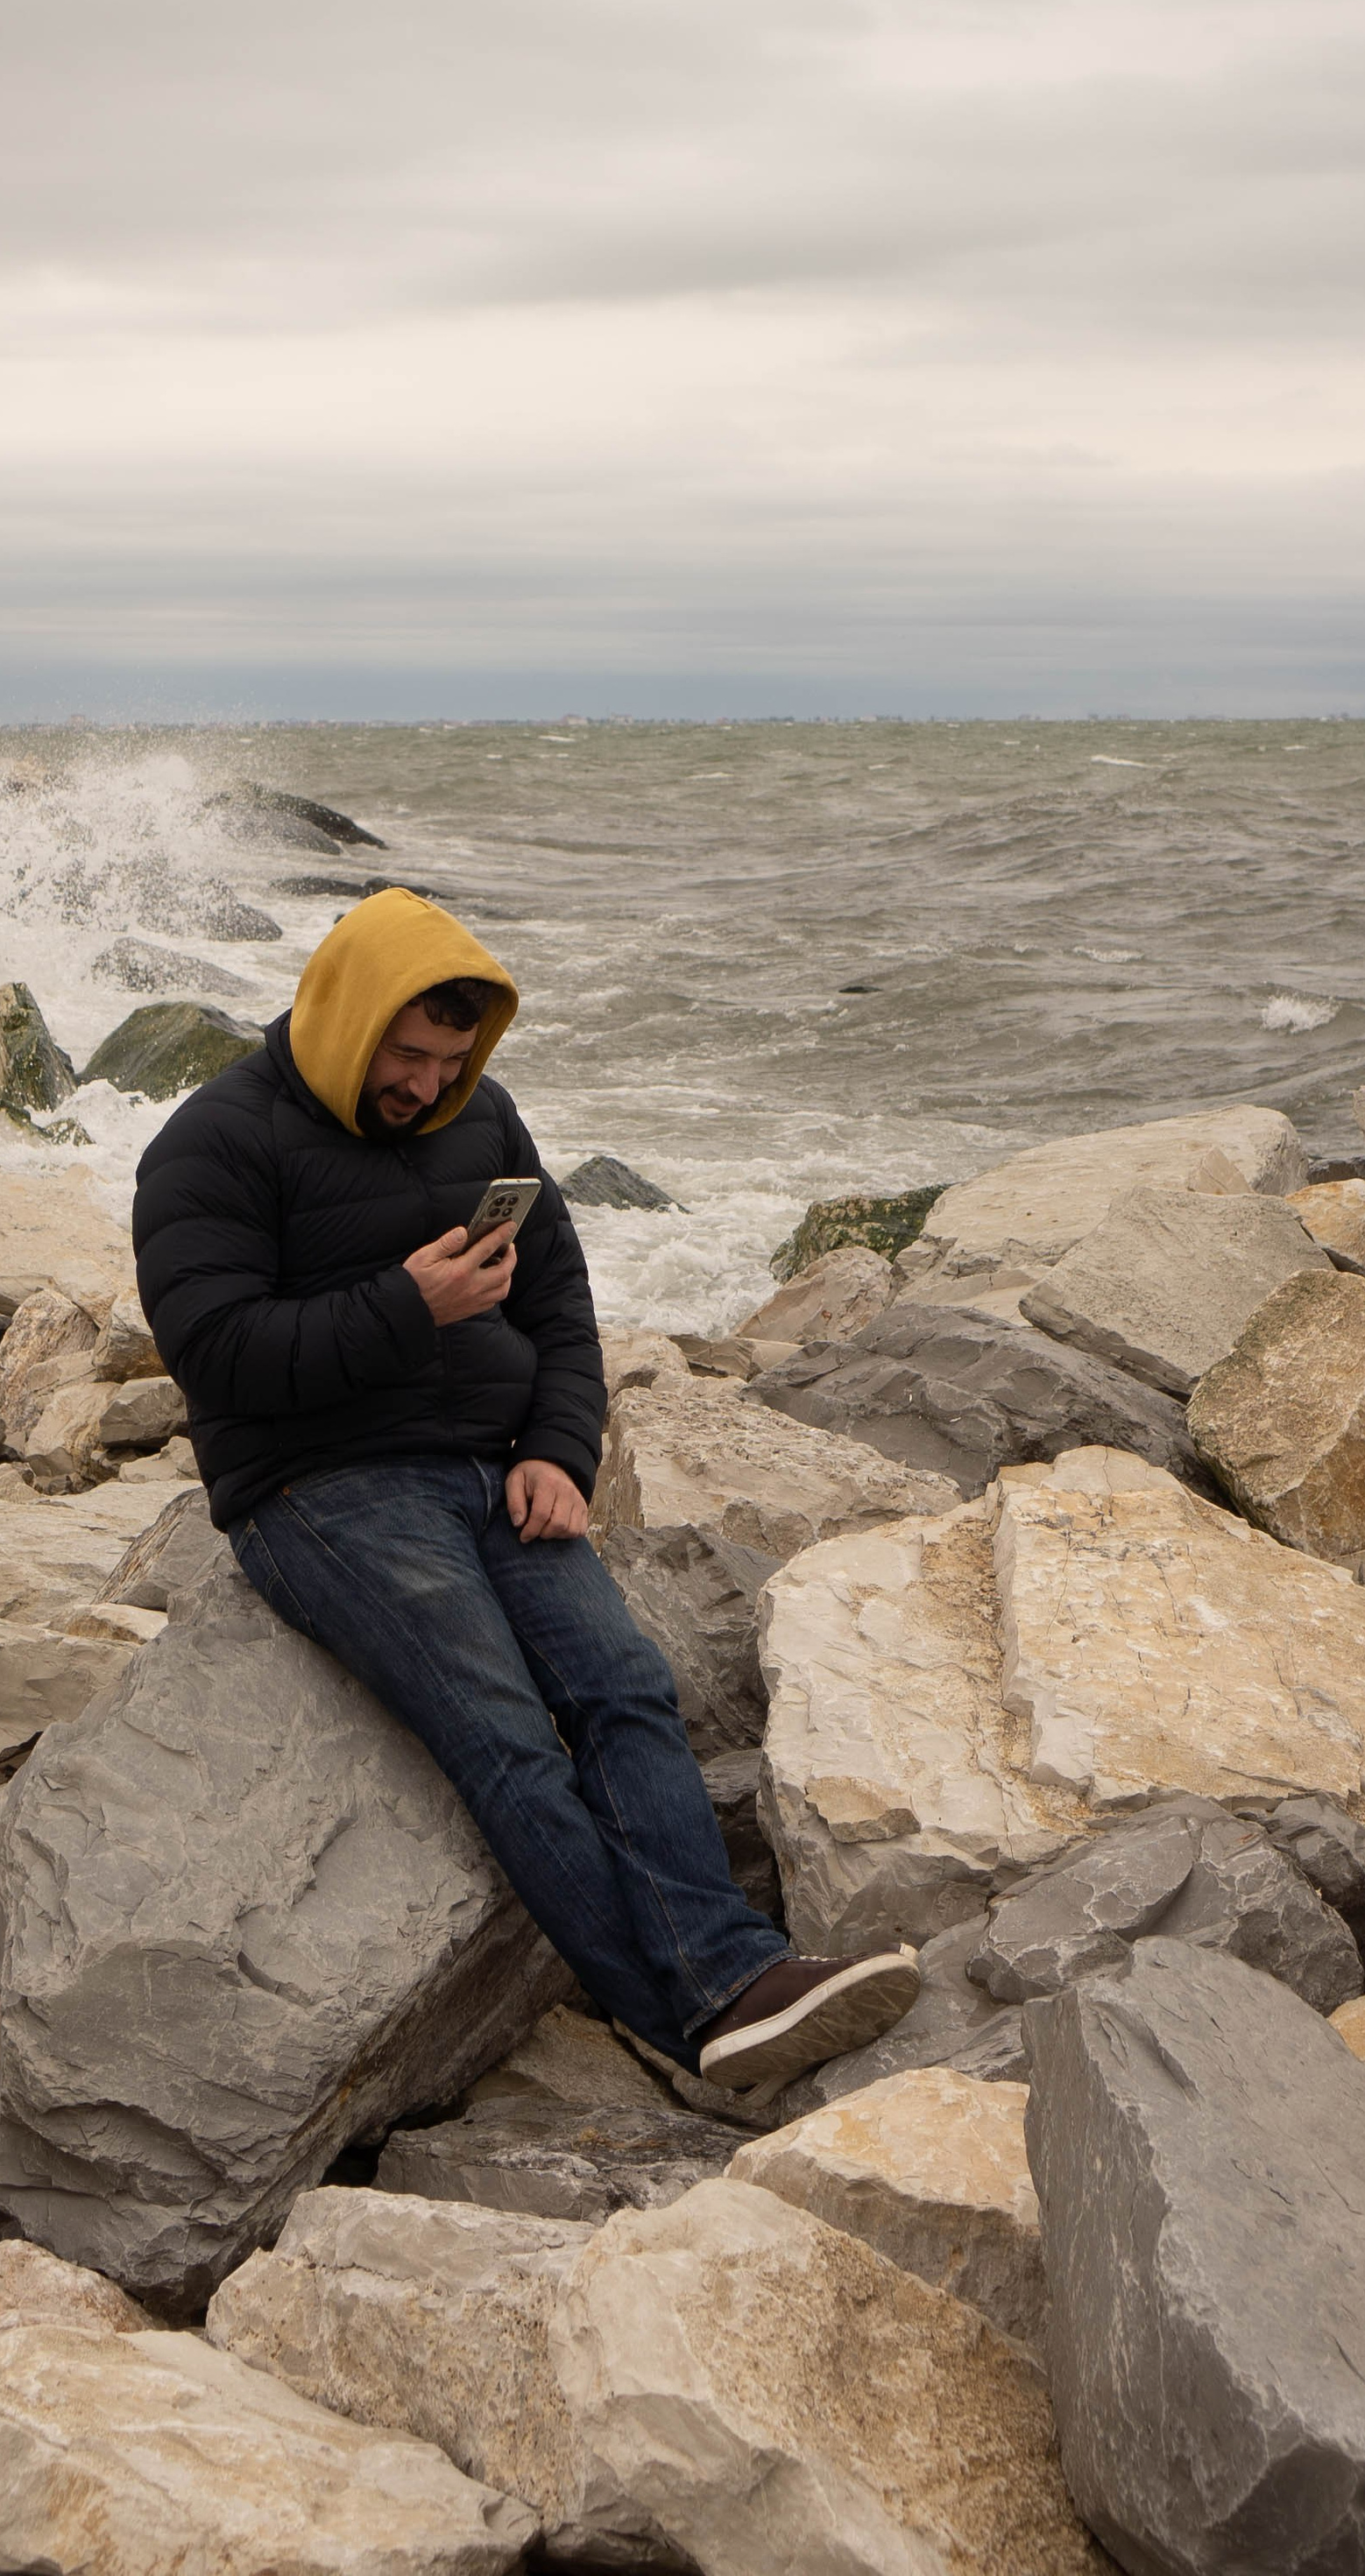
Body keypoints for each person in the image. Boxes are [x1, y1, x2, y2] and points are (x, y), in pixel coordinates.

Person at [131, 883, 919, 2097]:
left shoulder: (483, 1119)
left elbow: (558, 1301)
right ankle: (693, 2020)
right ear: (345, 1018)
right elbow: (216, 1355)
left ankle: (733, 1980)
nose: (427, 1085)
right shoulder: (211, 1144)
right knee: (504, 1733)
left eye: (452, 1061)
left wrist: (559, 1450)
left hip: (498, 1470)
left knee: (625, 1687)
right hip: (319, 1487)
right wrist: (409, 1307)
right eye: (406, 1055)